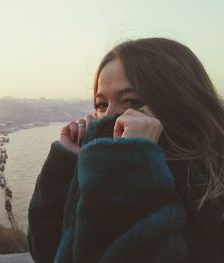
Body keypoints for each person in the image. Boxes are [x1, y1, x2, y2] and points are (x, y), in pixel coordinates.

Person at [27, 38, 224, 263]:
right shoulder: (98, 170)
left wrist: (133, 164)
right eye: (101, 105)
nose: (112, 115)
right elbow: (45, 252)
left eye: (131, 101)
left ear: (178, 102)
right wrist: (65, 165)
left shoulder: (209, 189)